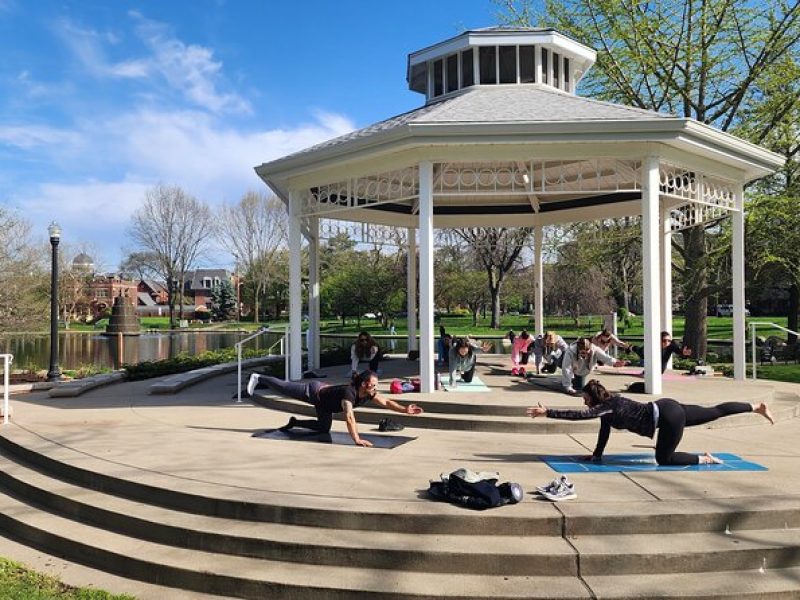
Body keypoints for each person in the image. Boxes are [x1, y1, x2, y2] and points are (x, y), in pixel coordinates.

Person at [526, 379, 774, 465]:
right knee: (716, 411)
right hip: (667, 406)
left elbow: (580, 417)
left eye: (585, 399)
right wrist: (597, 455)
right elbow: (604, 430)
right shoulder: (609, 406)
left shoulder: (604, 408)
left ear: (593, 398)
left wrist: (548, 412)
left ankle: (704, 459)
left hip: (668, 418)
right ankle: (755, 407)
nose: (584, 404)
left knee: (664, 459)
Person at [246, 370, 423, 447]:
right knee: (284, 387)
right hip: (313, 392)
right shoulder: (349, 393)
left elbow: (386, 402)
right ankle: (259, 377)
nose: (375, 388)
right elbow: (349, 417)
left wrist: (404, 410)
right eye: (373, 384)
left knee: (323, 428)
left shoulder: (368, 393)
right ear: (364, 384)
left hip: (326, 406)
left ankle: (295, 422)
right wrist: (357, 439)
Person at [561, 337, 627, 395]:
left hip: (581, 371)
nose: (585, 353)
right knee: (565, 385)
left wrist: (615, 362)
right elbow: (566, 369)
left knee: (579, 388)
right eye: (582, 352)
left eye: (587, 351)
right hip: (568, 366)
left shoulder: (594, 349)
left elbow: (605, 357)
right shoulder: (570, 352)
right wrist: (568, 387)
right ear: (578, 349)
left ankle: (565, 380)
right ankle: (561, 381)